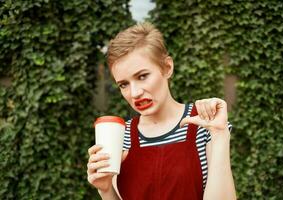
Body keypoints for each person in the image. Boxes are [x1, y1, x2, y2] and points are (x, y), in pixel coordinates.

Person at [87, 22, 236, 200]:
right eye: (124, 84)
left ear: (167, 67)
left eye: (142, 76)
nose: (135, 93)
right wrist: (105, 190)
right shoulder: (120, 135)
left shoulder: (204, 123)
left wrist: (220, 135)